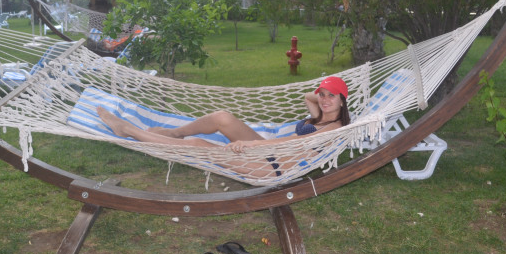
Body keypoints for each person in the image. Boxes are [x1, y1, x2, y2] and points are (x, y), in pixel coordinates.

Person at [96, 76, 351, 177]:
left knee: (197, 145)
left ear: (343, 100)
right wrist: (326, 91)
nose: (324, 100)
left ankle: (128, 130)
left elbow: (294, 142)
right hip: (270, 151)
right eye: (323, 95)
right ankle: (174, 132)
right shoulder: (320, 114)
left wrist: (252, 144)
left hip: (272, 167)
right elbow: (309, 97)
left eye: (332, 96)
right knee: (222, 117)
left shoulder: (334, 127)